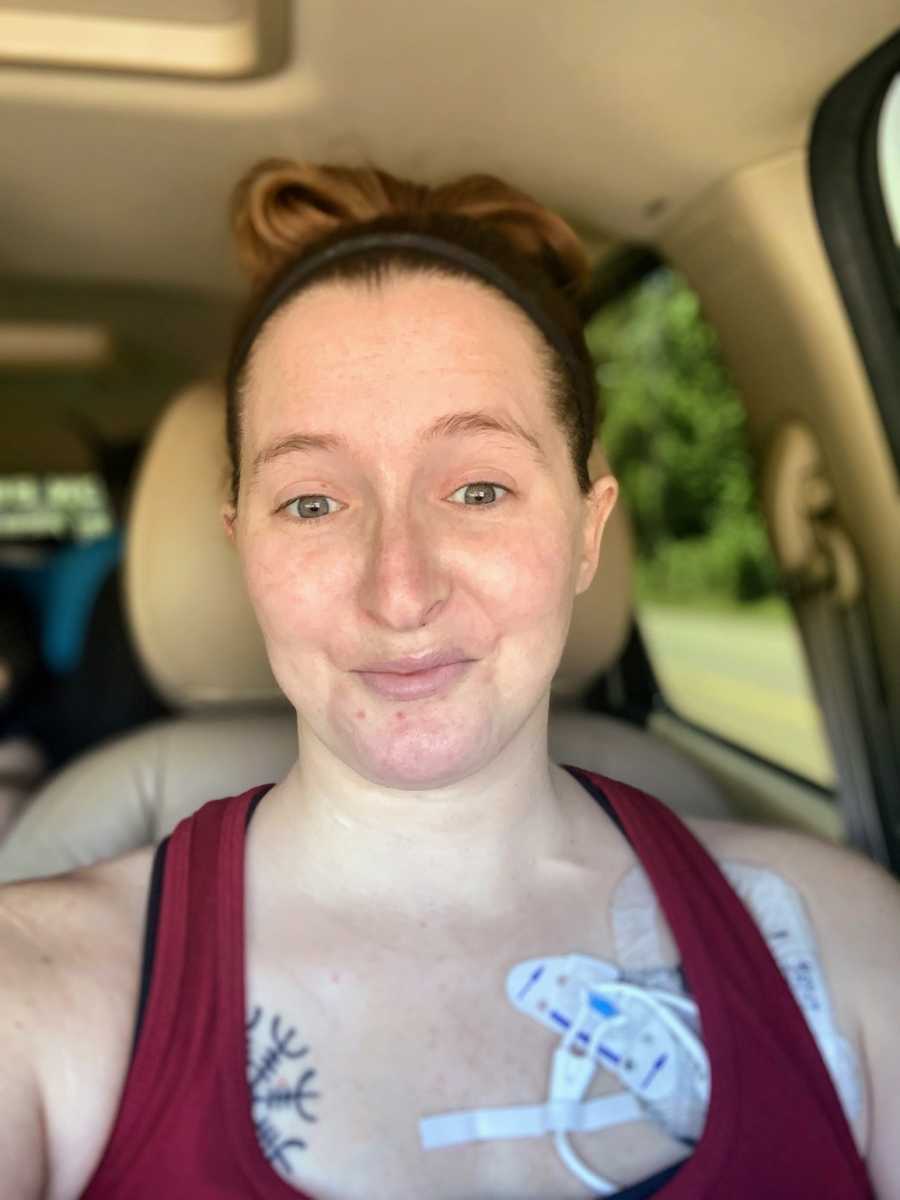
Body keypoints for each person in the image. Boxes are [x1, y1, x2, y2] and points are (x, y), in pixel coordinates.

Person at [1, 159, 898, 1200]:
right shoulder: (36, 992)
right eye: (311, 503)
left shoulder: (851, 945)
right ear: (242, 545)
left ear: (586, 531)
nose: (400, 590)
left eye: (478, 488)